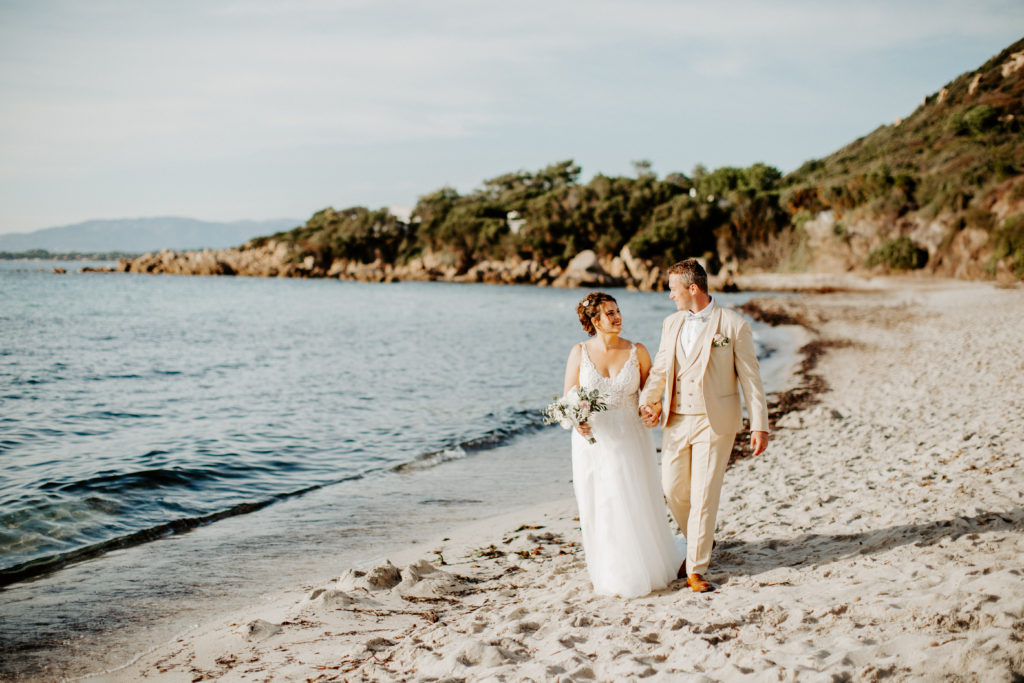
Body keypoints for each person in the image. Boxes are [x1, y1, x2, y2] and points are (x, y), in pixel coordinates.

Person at [640, 259, 769, 592]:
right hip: (676, 418)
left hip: (715, 422)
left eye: (673, 289)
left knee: (703, 495)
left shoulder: (734, 325)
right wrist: (648, 402)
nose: (670, 296)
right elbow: (661, 368)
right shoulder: (671, 323)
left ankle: (695, 568)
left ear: (692, 288)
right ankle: (701, 539)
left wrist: (759, 425)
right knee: (672, 489)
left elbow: (751, 378)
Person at [562, 292, 682, 598]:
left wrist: (653, 411)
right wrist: (576, 419)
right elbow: (568, 397)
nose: (617, 317)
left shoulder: (637, 351)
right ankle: (612, 571)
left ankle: (646, 566)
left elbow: (652, 393)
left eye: (617, 311)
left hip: (630, 436)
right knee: (602, 503)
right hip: (593, 441)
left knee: (633, 498)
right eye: (610, 313)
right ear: (594, 320)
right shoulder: (579, 352)